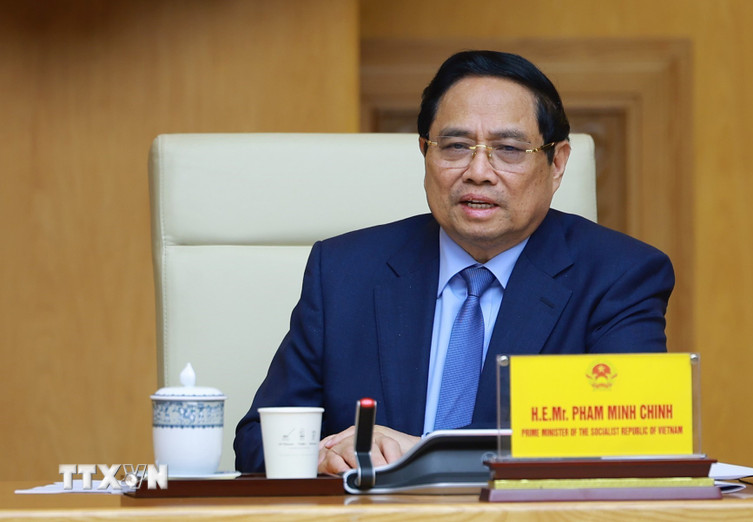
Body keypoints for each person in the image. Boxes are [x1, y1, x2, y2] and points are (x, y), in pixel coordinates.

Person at [234, 50, 674, 475]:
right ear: (425, 152)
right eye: (456, 146)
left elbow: (630, 437)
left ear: (557, 163)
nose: (478, 171)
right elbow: (256, 441)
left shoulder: (620, 276)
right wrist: (321, 456)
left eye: (509, 149)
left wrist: (426, 452)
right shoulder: (345, 272)